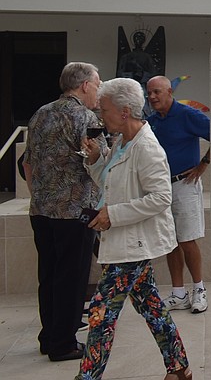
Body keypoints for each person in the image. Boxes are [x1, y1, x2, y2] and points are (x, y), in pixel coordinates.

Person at [76, 78, 192, 380]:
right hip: (125, 242)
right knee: (151, 306)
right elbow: (112, 184)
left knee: (100, 314)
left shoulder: (147, 148)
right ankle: (179, 368)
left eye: (105, 110)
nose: (101, 116)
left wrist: (112, 215)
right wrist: (95, 161)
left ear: (124, 111)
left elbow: (161, 198)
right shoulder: (122, 142)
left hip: (133, 245)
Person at [23, 62, 101, 362]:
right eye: (97, 85)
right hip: (74, 210)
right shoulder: (85, 116)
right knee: (72, 276)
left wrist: (38, 195)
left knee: (49, 274)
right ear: (84, 85)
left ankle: (49, 336)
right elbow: (99, 159)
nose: (98, 91)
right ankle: (64, 343)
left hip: (41, 209)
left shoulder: (40, 113)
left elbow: (28, 162)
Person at [146, 75, 211, 313]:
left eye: (157, 92)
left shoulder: (188, 115)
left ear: (169, 92)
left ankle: (199, 290)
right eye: (149, 93)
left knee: (187, 239)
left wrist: (204, 164)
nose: (152, 97)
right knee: (170, 240)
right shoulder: (151, 121)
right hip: (161, 187)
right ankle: (178, 293)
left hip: (185, 184)